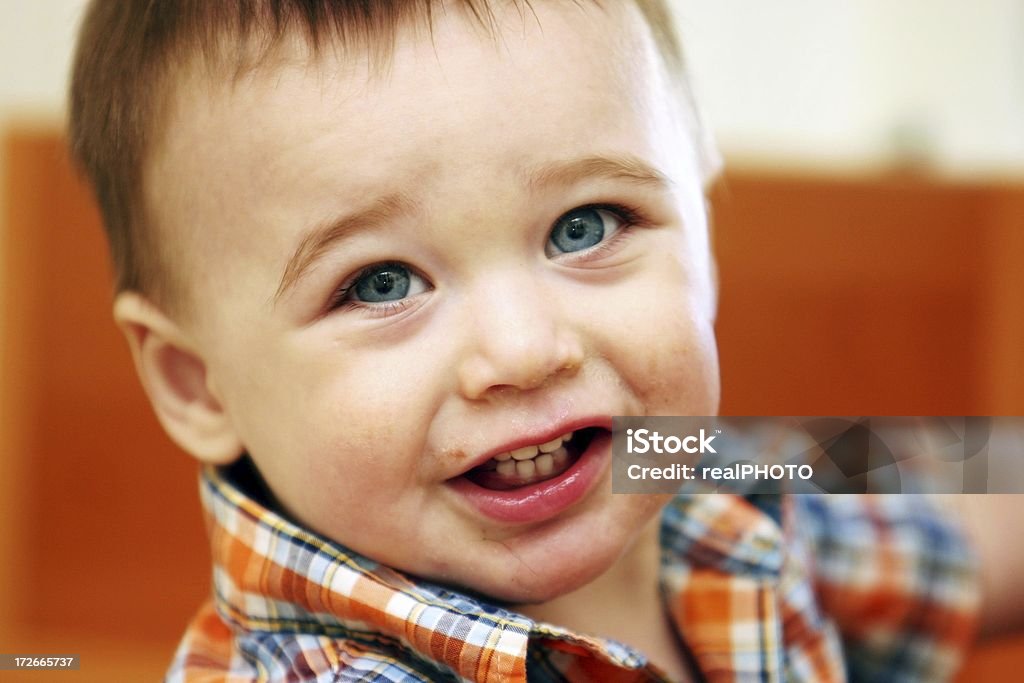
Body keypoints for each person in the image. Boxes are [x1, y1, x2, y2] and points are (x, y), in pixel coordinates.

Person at [67, 1, 1017, 680]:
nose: (525, 352)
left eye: (587, 225)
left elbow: (961, 511)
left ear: (702, 221)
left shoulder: (687, 466)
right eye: (381, 284)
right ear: (199, 383)